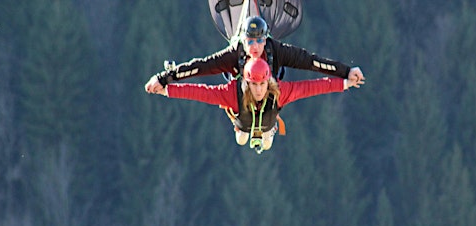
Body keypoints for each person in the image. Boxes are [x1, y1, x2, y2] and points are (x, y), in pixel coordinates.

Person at [145, 58, 365, 153]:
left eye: (262, 85)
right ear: (247, 83)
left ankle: (266, 132)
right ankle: (241, 129)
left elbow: (312, 87)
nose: (259, 90)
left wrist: (345, 82)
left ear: (268, 81)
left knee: (265, 140)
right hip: (242, 120)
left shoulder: (278, 92)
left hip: (268, 123)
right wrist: (166, 89)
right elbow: (201, 93)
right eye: (254, 85)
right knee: (241, 138)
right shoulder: (233, 94)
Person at [146, 16, 365, 93]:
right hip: (239, 92)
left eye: (260, 40)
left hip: (273, 90)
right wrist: (163, 78)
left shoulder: (276, 49)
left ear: (266, 38)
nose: (255, 46)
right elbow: (199, 67)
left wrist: (346, 72)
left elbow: (312, 62)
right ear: (243, 40)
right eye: (250, 41)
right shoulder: (234, 55)